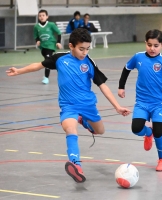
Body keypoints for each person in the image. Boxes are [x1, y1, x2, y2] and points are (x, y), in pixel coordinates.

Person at [6, 28, 131, 183]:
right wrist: (19, 71)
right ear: (71, 46)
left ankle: (84, 121)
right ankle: (76, 164)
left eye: (87, 49)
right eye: (81, 49)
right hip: (68, 106)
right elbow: (38, 65)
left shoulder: (89, 62)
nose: (84, 52)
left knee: (100, 130)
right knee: (70, 129)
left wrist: (117, 106)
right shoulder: (60, 59)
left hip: (88, 105)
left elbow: (102, 85)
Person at [118, 29, 162, 171]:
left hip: (158, 104)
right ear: (145, 43)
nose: (152, 48)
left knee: (159, 132)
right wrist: (121, 87)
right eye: (149, 45)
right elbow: (126, 69)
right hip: (142, 102)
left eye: (156, 45)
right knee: (136, 129)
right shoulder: (138, 57)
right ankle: (148, 133)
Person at [34, 9, 62, 85]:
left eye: (43, 15)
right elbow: (36, 36)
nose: (41, 17)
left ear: (47, 17)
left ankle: (46, 78)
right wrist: (37, 41)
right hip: (43, 47)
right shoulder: (36, 26)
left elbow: (59, 33)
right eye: (40, 16)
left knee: (47, 61)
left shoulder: (51, 25)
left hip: (50, 46)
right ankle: (57, 64)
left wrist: (58, 42)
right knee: (49, 60)